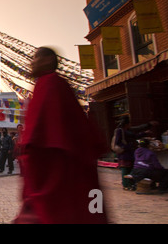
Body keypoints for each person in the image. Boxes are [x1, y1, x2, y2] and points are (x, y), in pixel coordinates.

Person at [14, 47, 108, 224]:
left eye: (35, 58)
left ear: (48, 60)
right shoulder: (48, 84)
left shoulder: (51, 84)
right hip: (53, 163)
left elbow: (43, 132)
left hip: (56, 164)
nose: (31, 62)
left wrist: (28, 149)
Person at [114, 116, 154, 190]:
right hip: (124, 153)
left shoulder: (127, 130)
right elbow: (118, 142)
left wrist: (145, 133)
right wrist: (127, 146)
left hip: (129, 152)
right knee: (125, 168)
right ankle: (126, 185)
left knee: (130, 167)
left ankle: (130, 184)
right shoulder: (120, 131)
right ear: (126, 124)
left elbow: (135, 134)